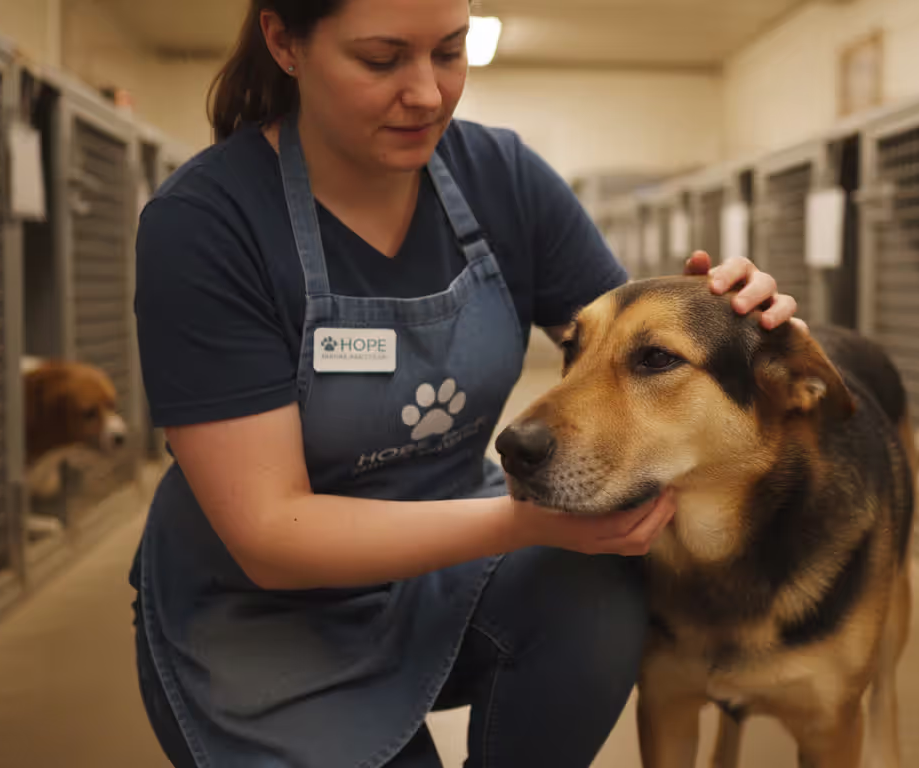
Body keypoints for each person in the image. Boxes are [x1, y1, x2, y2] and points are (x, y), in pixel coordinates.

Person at [128, 1, 801, 766]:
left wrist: (738, 324)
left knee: (595, 589)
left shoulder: (501, 179)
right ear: (284, 41)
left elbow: (631, 352)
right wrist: (521, 525)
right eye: (383, 60)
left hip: (453, 555)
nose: (427, 93)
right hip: (262, 612)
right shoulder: (207, 225)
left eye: (450, 52)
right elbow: (268, 536)